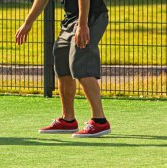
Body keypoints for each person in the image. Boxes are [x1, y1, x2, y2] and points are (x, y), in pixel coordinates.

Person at [15, 0, 110, 137]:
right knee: (61, 56)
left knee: (81, 59)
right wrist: (27, 23)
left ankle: (99, 121)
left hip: (91, 16)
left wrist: (83, 25)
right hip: (71, 19)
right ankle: (68, 120)